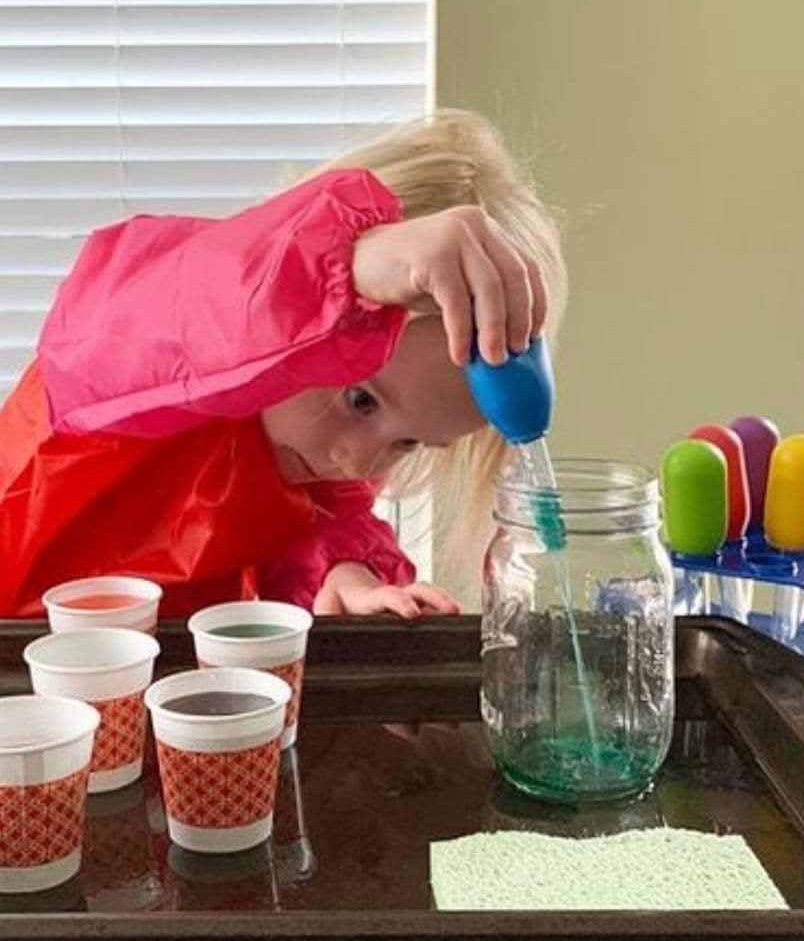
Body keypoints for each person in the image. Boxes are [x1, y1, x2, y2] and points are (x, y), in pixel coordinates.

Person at [0, 110, 567, 620]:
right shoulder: (155, 332)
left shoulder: (305, 451)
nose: (357, 459)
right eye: (362, 400)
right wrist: (340, 271)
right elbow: (151, 322)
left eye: (408, 443)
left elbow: (319, 523)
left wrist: (347, 579)